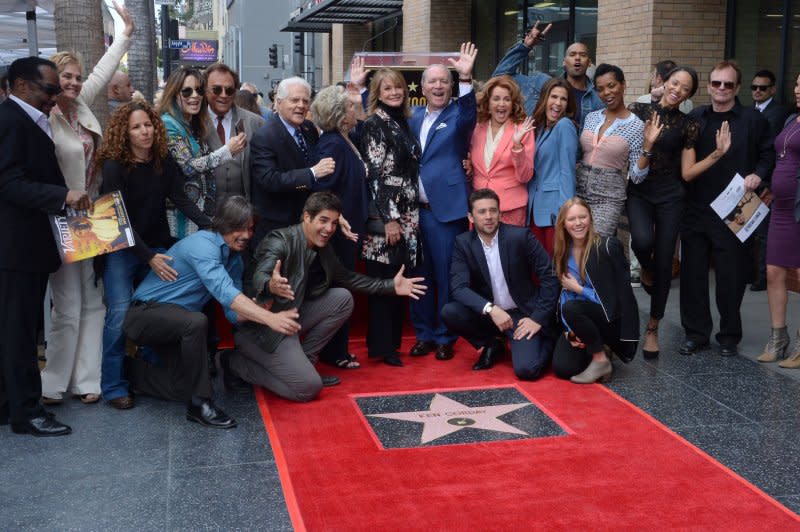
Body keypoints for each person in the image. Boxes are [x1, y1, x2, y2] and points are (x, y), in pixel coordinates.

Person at [122, 196, 303, 427]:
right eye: (240, 228)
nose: (247, 235)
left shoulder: (234, 261)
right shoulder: (203, 244)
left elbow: (232, 313)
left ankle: (130, 372)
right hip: (144, 315)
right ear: (225, 224)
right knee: (197, 321)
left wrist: (260, 308)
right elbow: (225, 291)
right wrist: (270, 319)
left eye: (250, 228)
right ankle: (200, 404)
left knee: (182, 387)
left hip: (176, 325)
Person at [228, 192, 426, 401]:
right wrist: (270, 285)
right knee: (308, 388)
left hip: (291, 316)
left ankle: (305, 361)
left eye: (333, 222)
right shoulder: (279, 241)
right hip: (264, 328)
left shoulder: (321, 247)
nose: (329, 229)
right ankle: (236, 362)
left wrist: (390, 286)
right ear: (306, 217)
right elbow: (261, 275)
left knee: (342, 298)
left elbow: (347, 278)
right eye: (323, 221)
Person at [39, 1, 132, 407]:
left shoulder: (78, 107)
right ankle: (54, 383)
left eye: (77, 77)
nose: (75, 83)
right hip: (56, 218)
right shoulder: (43, 116)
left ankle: (88, 379)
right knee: (68, 302)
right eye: (66, 77)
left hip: (92, 216)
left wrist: (124, 33)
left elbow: (102, 71)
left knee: (94, 300)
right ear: (51, 81)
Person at [96, 101, 212, 409]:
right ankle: (113, 385)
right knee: (119, 314)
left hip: (156, 244)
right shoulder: (114, 165)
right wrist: (149, 258)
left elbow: (181, 199)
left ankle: (148, 374)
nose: (144, 131)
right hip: (123, 248)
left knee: (159, 309)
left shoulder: (162, 158)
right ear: (125, 132)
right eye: (136, 127)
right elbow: (118, 222)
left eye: (147, 124)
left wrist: (211, 226)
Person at [0, 56, 91, 436]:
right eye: (49, 90)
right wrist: (62, 195)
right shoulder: (10, 121)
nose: (55, 98)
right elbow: (7, 182)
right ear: (21, 85)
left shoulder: (26, 119)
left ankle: (10, 405)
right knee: (19, 333)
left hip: (26, 247)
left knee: (15, 331)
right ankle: (27, 412)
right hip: (16, 248)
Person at [627, 66, 728, 359]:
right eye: (674, 83)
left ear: (689, 94)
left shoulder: (688, 124)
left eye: (685, 88)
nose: (678, 90)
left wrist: (717, 154)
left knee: (664, 264)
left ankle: (653, 329)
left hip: (671, 197)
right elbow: (628, 153)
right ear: (663, 82)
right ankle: (644, 266)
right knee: (642, 242)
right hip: (640, 192)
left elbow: (687, 172)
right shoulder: (639, 111)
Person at [679, 60, 774, 358]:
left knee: (730, 278)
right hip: (696, 208)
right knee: (693, 276)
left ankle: (729, 336)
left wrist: (759, 173)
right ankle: (696, 334)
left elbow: (768, 154)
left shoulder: (753, 120)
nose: (722, 89)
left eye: (728, 84)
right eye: (717, 83)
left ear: (738, 87)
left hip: (735, 211)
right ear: (708, 86)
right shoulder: (696, 117)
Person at [405, 43, 478, 361]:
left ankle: (446, 335)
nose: (437, 86)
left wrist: (465, 78)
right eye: (432, 82)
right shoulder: (413, 116)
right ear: (422, 88)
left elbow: (469, 114)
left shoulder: (458, 115)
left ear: (450, 87)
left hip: (445, 213)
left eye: (443, 81)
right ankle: (424, 334)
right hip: (412, 214)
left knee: (448, 276)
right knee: (419, 276)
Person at [441, 188, 559, 379]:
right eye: (482, 212)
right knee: (450, 312)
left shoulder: (520, 237)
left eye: (493, 210)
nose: (488, 216)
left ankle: (548, 342)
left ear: (500, 213)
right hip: (491, 316)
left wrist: (537, 318)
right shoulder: (463, 243)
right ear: (471, 217)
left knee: (527, 370)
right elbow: (458, 287)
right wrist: (490, 309)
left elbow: (550, 276)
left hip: (523, 315)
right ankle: (492, 342)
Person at [360, 68, 422, 366]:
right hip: (389, 217)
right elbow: (374, 176)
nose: (395, 93)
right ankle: (383, 347)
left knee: (399, 279)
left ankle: (391, 345)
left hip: (408, 215)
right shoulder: (374, 124)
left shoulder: (404, 123)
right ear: (377, 93)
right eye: (387, 89)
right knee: (384, 281)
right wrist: (389, 219)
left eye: (398, 88)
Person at [307, 83, 369, 369]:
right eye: (349, 106)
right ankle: (335, 352)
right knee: (339, 287)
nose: (354, 109)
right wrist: (338, 220)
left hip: (348, 230)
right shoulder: (332, 143)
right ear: (340, 113)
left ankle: (339, 349)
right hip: (337, 233)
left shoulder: (344, 138)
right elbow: (323, 191)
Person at [551, 198, 639, 383]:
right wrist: (570, 331)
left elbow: (616, 300)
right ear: (563, 224)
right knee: (563, 368)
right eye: (572, 219)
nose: (578, 223)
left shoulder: (607, 247)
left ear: (590, 218)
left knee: (573, 308)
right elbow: (565, 297)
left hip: (610, 319)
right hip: (579, 320)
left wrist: (580, 289)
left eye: (582, 217)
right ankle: (599, 350)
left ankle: (600, 359)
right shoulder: (563, 253)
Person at [156, 67, 247, 239]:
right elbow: (188, 167)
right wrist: (227, 151)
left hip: (202, 215)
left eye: (199, 90)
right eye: (187, 91)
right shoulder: (168, 124)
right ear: (174, 93)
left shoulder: (193, 124)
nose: (195, 96)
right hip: (182, 219)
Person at [250, 76, 335, 247]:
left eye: (305, 101)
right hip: (278, 228)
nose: (301, 106)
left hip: (306, 225)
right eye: (295, 100)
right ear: (278, 102)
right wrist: (311, 173)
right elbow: (269, 180)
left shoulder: (308, 129)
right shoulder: (265, 136)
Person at [577, 64, 654, 237]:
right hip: (578, 191)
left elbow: (636, 176)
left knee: (596, 247)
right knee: (575, 246)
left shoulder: (636, 126)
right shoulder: (591, 117)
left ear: (623, 84)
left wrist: (647, 148)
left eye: (611, 86)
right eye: (600, 89)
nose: (606, 93)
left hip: (608, 197)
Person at [759, 75, 800, 367]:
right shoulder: (792, 120)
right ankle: (778, 338)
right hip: (781, 208)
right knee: (774, 271)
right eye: (797, 85)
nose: (797, 90)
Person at [469, 75, 535, 226]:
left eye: (507, 99)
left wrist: (517, 146)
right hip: (480, 207)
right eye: (496, 98)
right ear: (488, 102)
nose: (501, 104)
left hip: (510, 208)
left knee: (509, 250)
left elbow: (525, 176)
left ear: (513, 103)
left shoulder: (523, 129)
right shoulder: (476, 127)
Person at [527, 77, 579, 254]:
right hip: (535, 210)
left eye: (563, 99)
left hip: (554, 212)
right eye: (554, 97)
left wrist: (565, 213)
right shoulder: (541, 128)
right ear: (544, 99)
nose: (558, 103)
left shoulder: (564, 126)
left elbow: (567, 171)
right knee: (540, 269)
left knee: (554, 269)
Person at [203, 63, 264, 205]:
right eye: (217, 89)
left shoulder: (255, 123)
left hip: (243, 212)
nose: (223, 95)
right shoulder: (194, 123)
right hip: (204, 212)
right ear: (205, 90)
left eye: (229, 90)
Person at [750, 69, 789, 291]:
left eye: (762, 88)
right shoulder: (748, 110)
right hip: (747, 179)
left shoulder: (778, 113)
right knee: (746, 229)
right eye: (754, 87)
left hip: (767, 180)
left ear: (772, 89)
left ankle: (762, 277)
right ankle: (749, 272)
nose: (757, 91)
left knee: (763, 233)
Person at [492, 21, 552, 115]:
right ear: (564, 61)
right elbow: (499, 77)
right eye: (572, 54)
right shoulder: (539, 83)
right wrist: (526, 46)